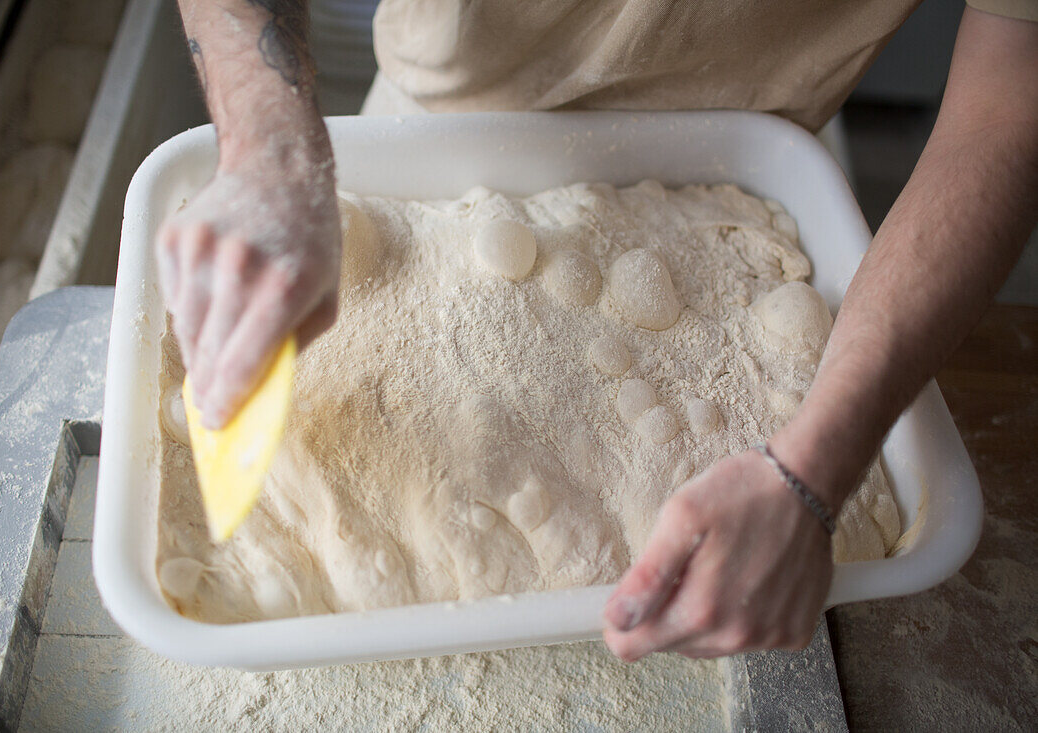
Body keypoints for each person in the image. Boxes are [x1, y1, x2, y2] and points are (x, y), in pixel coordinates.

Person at [156, 0, 1038, 661]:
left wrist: (815, 469)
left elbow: (1013, 95)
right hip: (427, 153)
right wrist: (271, 151)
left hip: (729, 173)